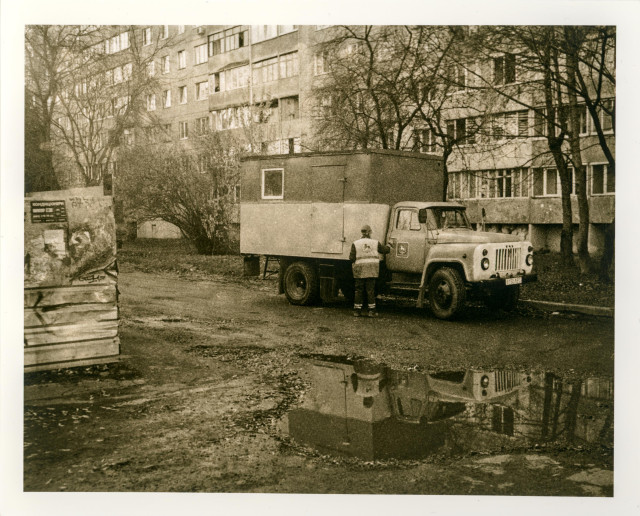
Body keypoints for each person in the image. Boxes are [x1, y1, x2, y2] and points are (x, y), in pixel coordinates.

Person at [349, 224, 392, 318]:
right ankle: (371, 311)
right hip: (371, 270)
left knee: (359, 290)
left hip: (359, 271)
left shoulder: (355, 243)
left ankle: (357, 311)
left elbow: (351, 258)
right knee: (370, 291)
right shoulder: (375, 242)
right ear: (368, 232)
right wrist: (390, 244)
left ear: (362, 232)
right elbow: (385, 250)